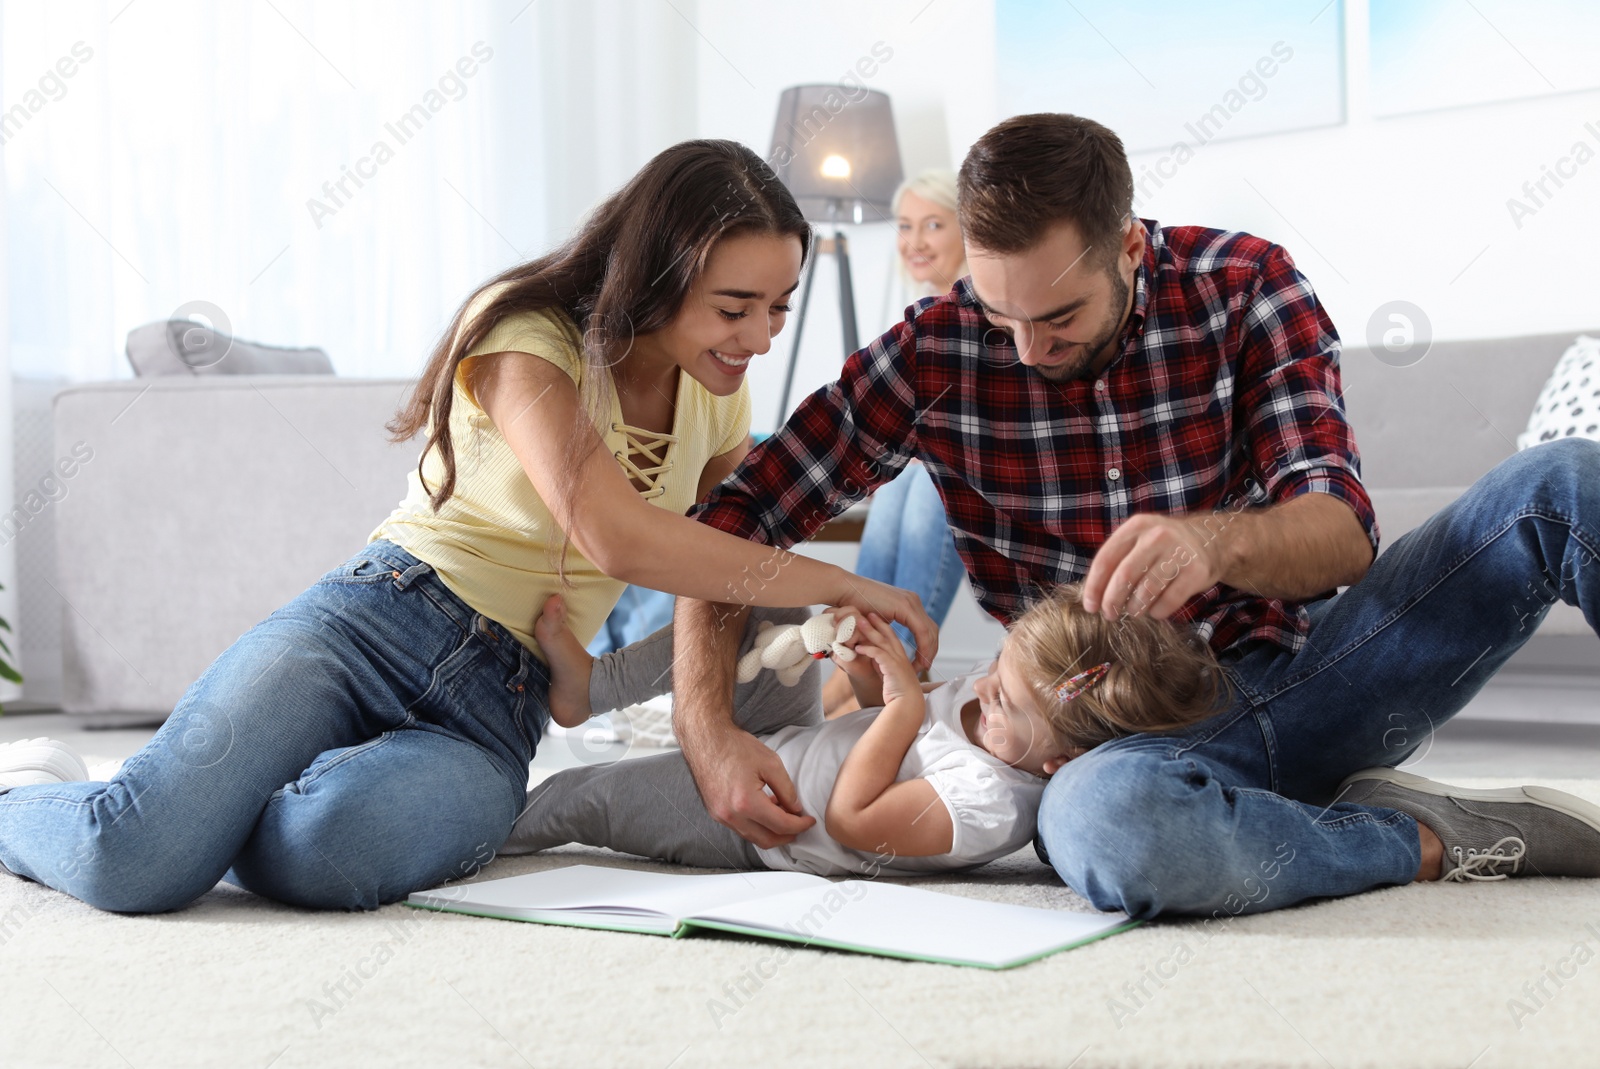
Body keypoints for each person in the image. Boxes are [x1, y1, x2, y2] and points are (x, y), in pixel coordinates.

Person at [666, 112, 1600, 918]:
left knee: (1562, 483)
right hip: (1112, 745)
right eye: (1002, 319)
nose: (1027, 351)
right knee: (1108, 831)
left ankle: (1300, 792)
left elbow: (1341, 534)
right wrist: (706, 732)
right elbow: (734, 523)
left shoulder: (1243, 286)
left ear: (1127, 246)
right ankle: (1419, 834)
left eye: (1057, 316)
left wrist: (1214, 540)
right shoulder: (936, 348)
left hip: (1313, 672)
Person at [0, 139, 934, 914]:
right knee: (135, 859)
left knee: (325, 858)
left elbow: (728, 570)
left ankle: (220, 799)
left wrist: (711, 702)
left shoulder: (715, 400)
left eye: (778, 306)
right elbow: (614, 536)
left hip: (499, 710)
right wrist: (843, 583)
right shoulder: (525, 333)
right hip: (372, 623)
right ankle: (35, 795)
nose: (762, 335)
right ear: (658, 276)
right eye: (736, 307)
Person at [502, 582, 1227, 876]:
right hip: (783, 741)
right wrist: (861, 664)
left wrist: (908, 708)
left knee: (577, 793)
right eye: (995, 668)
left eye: (1003, 698)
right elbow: (870, 719)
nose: (979, 688)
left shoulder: (986, 803)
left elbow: (851, 818)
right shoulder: (990, 720)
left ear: (1060, 761)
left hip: (760, 824)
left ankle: (473, 834)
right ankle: (591, 687)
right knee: (770, 597)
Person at [822, 170, 971, 718]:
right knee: (893, 497)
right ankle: (854, 666)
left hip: (967, 470)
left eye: (933, 224)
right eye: (906, 226)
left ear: (968, 228)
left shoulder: (983, 304)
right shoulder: (920, 315)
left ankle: (892, 667)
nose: (915, 241)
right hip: (923, 464)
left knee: (925, 487)